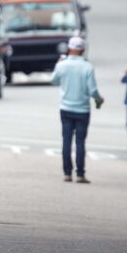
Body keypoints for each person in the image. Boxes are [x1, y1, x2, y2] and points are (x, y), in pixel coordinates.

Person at [54, 36, 103, 182]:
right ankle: (80, 174)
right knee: (80, 142)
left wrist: (58, 65)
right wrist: (99, 100)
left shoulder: (62, 65)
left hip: (65, 108)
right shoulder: (88, 67)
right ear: (82, 50)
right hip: (82, 109)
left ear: (69, 48)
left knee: (66, 140)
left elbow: (54, 80)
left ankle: (67, 173)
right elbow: (93, 90)